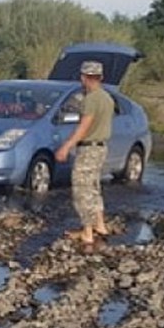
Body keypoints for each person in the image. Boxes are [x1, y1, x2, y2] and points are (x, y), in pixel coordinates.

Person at [55, 60, 115, 247]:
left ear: (83, 77)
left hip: (89, 148)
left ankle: (87, 232)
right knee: (94, 187)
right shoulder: (107, 97)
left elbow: (84, 126)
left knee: (82, 190)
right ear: (100, 77)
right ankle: (100, 225)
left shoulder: (91, 99)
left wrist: (67, 145)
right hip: (101, 147)